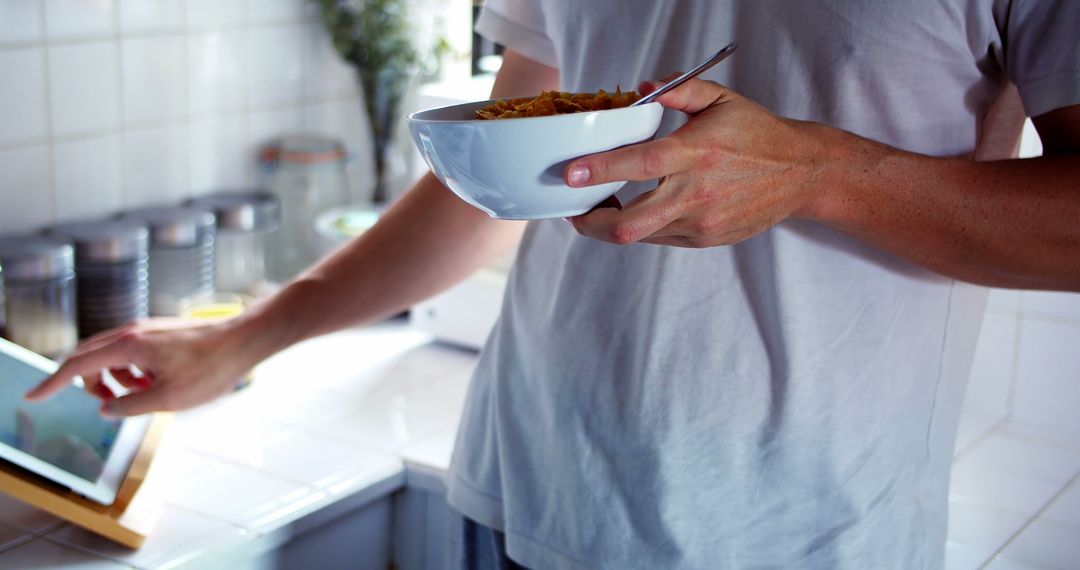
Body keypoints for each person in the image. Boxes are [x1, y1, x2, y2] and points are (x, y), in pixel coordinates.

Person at [28, 0, 1080, 568]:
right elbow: (497, 181)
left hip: (793, 535)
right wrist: (240, 339)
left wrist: (824, 173)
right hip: (519, 498)